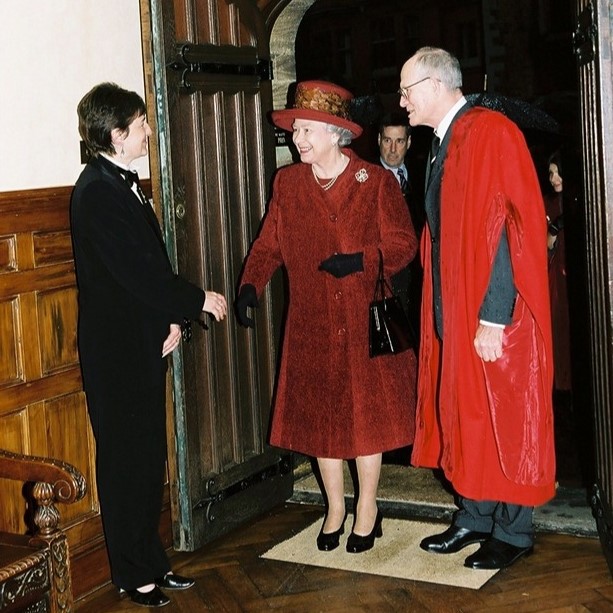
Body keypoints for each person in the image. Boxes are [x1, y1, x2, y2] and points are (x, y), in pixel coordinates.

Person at [235, 80, 418, 554]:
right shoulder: (289, 184)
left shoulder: (374, 182)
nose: (296, 139)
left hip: (362, 321)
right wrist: (251, 285)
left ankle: (367, 507)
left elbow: (404, 245)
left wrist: (359, 261)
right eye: (295, 130)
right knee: (322, 420)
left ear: (335, 133)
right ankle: (335, 507)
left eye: (305, 130)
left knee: (366, 419)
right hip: (312, 321)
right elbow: (269, 243)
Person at [70, 82, 228, 607]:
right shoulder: (96, 192)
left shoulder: (120, 183)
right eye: (141, 125)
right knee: (126, 464)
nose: (148, 132)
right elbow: (136, 273)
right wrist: (196, 300)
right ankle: (131, 573)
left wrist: (171, 320)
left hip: (140, 342)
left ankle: (152, 563)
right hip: (116, 353)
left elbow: (146, 268)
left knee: (146, 459)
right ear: (117, 135)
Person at [398, 48, 555, 570]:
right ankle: (476, 514)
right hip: (456, 305)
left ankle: (513, 531)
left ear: (435, 84)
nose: (402, 101)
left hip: (490, 312)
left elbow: (514, 226)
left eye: (407, 90)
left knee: (506, 416)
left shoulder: (491, 132)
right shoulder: (445, 141)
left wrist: (495, 314)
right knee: (469, 414)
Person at [378, 111, 423, 343]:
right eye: (388, 140)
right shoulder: (369, 179)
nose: (393, 149)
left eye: (400, 141)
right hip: (386, 278)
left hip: (419, 277)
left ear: (409, 142)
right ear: (379, 140)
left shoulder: (422, 174)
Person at [545, 151, 572, 396]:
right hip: (558, 280)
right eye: (551, 174)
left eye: (557, 173)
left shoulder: (579, 199)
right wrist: (553, 230)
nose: (553, 179)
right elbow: (544, 246)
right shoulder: (550, 204)